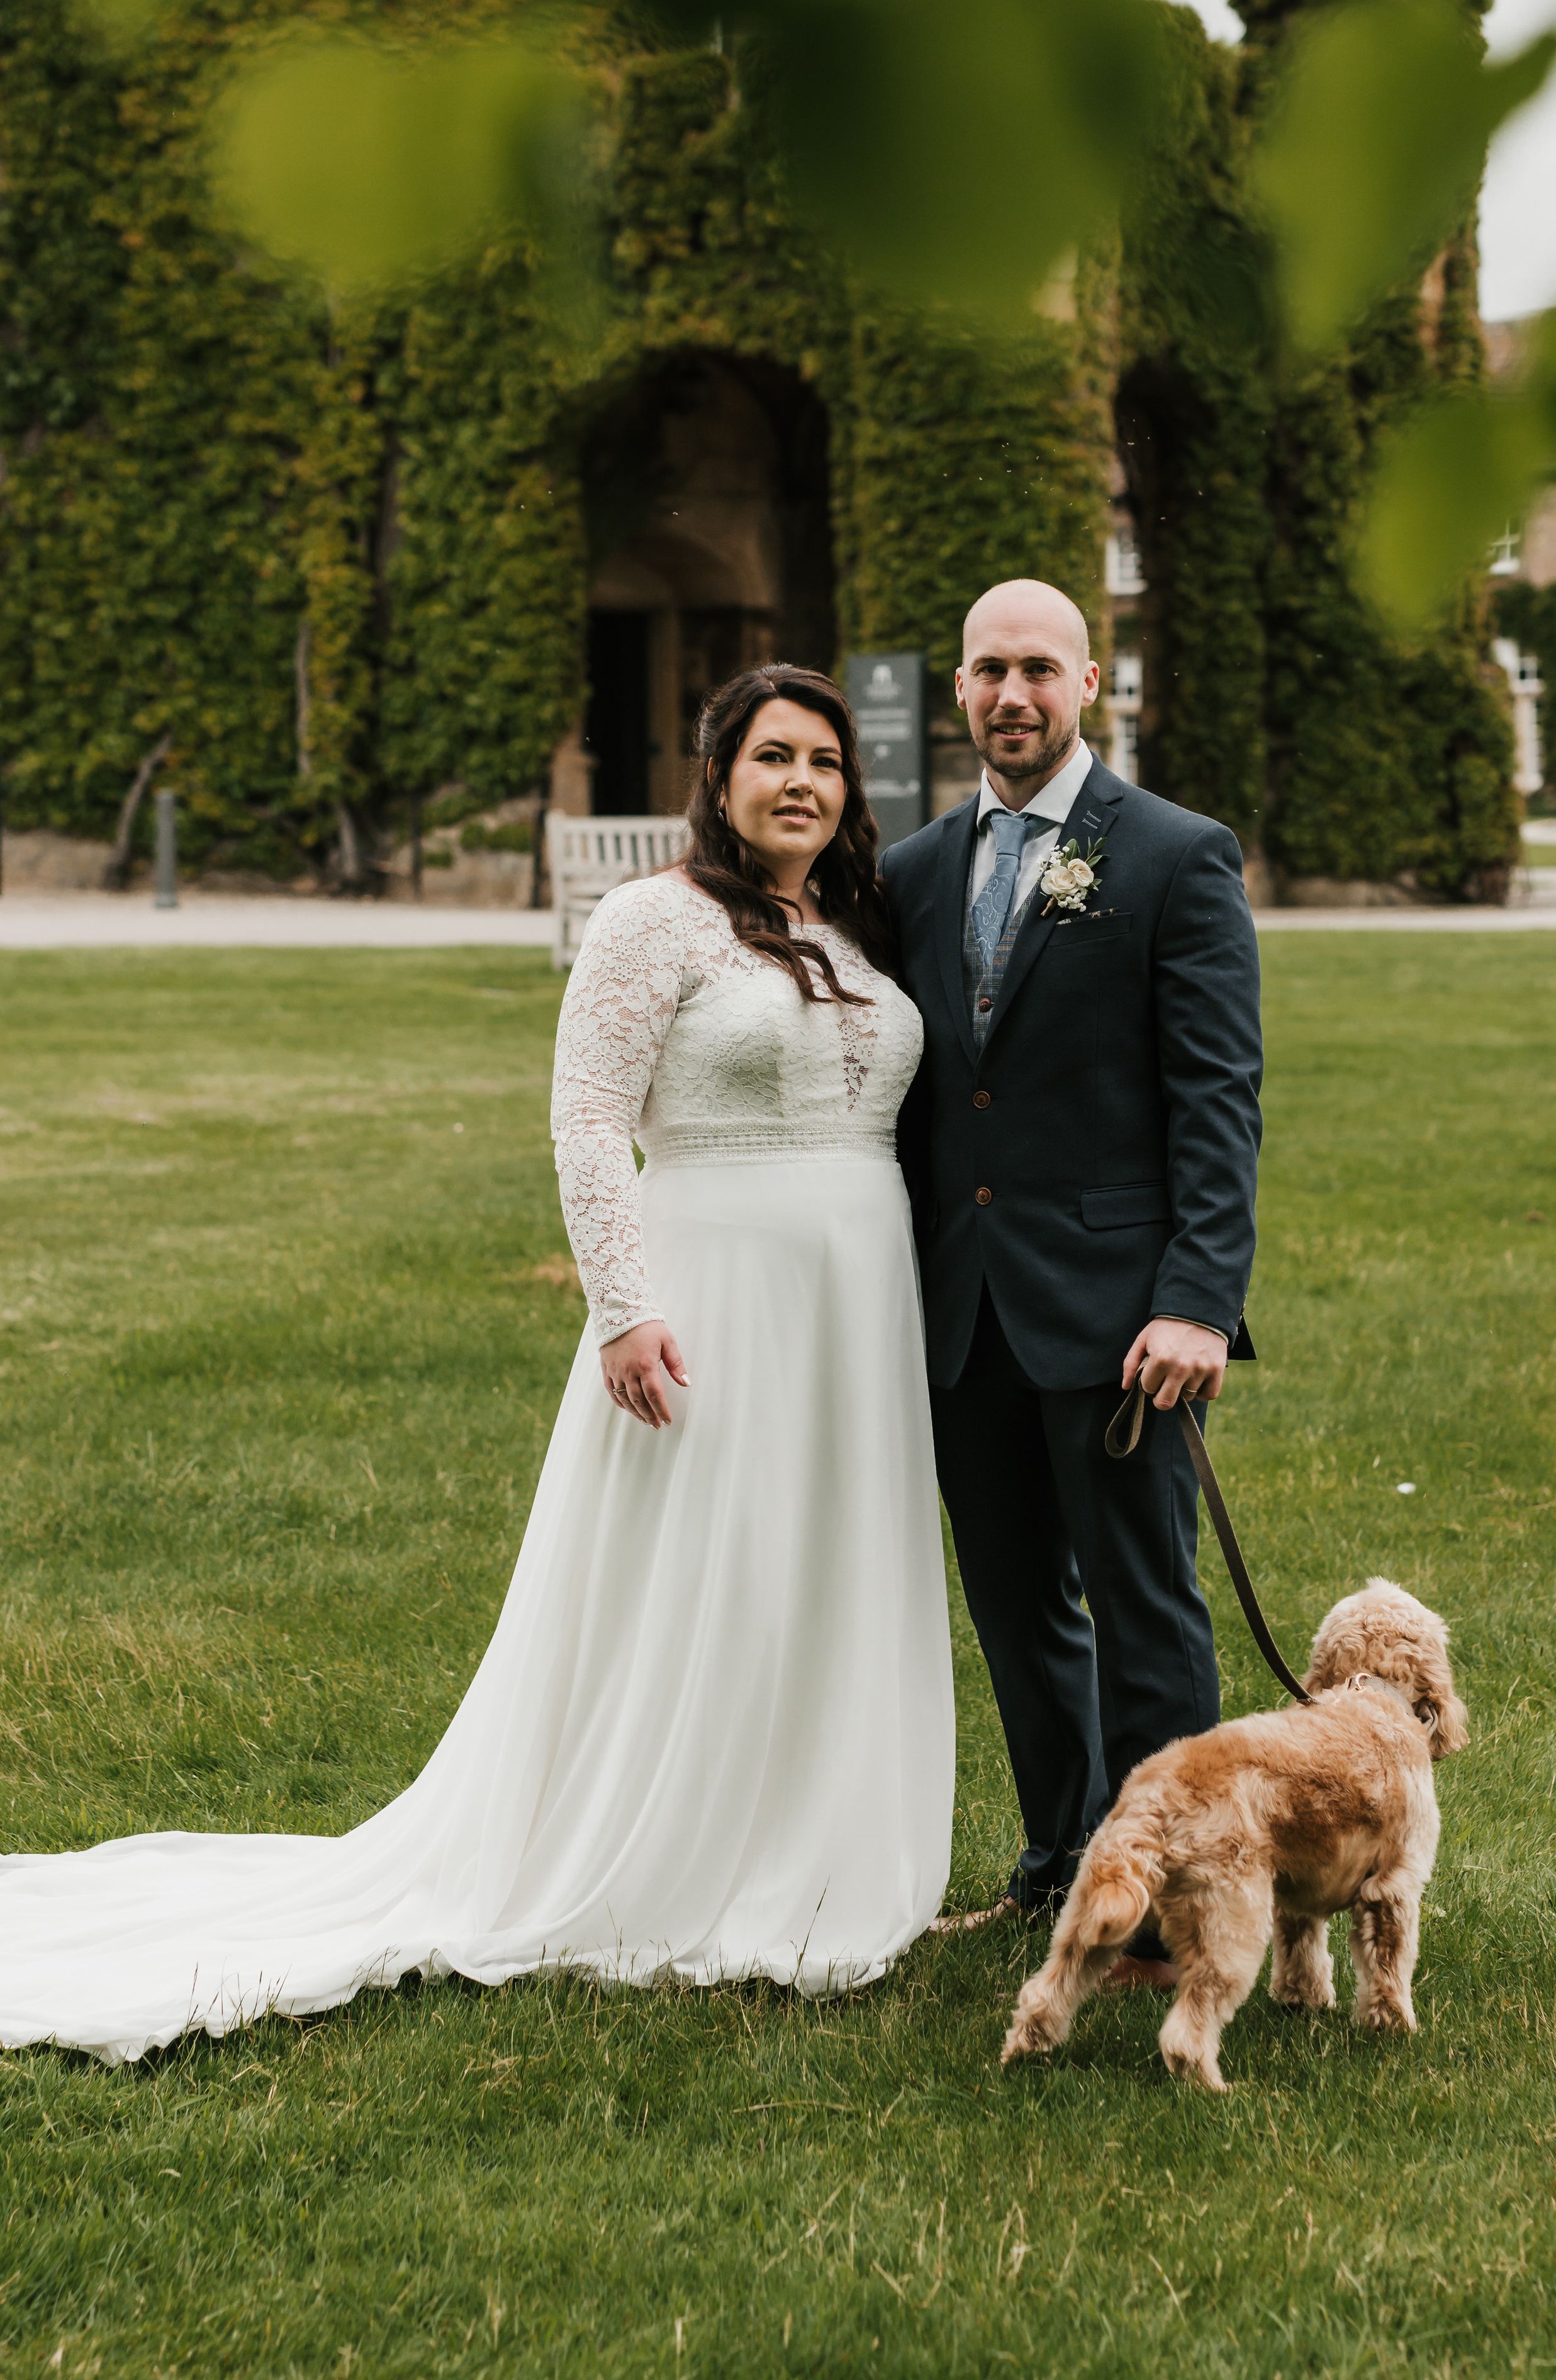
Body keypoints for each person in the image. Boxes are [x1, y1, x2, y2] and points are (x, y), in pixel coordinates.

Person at [0, 666, 954, 2062]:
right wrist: (622, 1307)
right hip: (712, 1291)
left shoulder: (860, 926)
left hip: (857, 1301)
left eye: (823, 759)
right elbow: (587, 1115)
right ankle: (666, 1854)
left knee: (823, 1560)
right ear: (718, 775)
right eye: (771, 757)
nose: (800, 782)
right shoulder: (652, 918)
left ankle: (817, 1845)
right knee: (708, 1566)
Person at [880, 579, 1262, 1982]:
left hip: (1121, 1318)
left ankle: (1177, 1899)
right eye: (989, 670)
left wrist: (1198, 1298)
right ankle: (1061, 1860)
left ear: (1089, 683)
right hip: (961, 1312)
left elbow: (1216, 1098)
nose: (1012, 695)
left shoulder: (1173, 854)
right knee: (1016, 1605)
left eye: (1038, 668)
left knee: (1143, 1602)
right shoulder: (914, 871)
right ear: (959, 689)